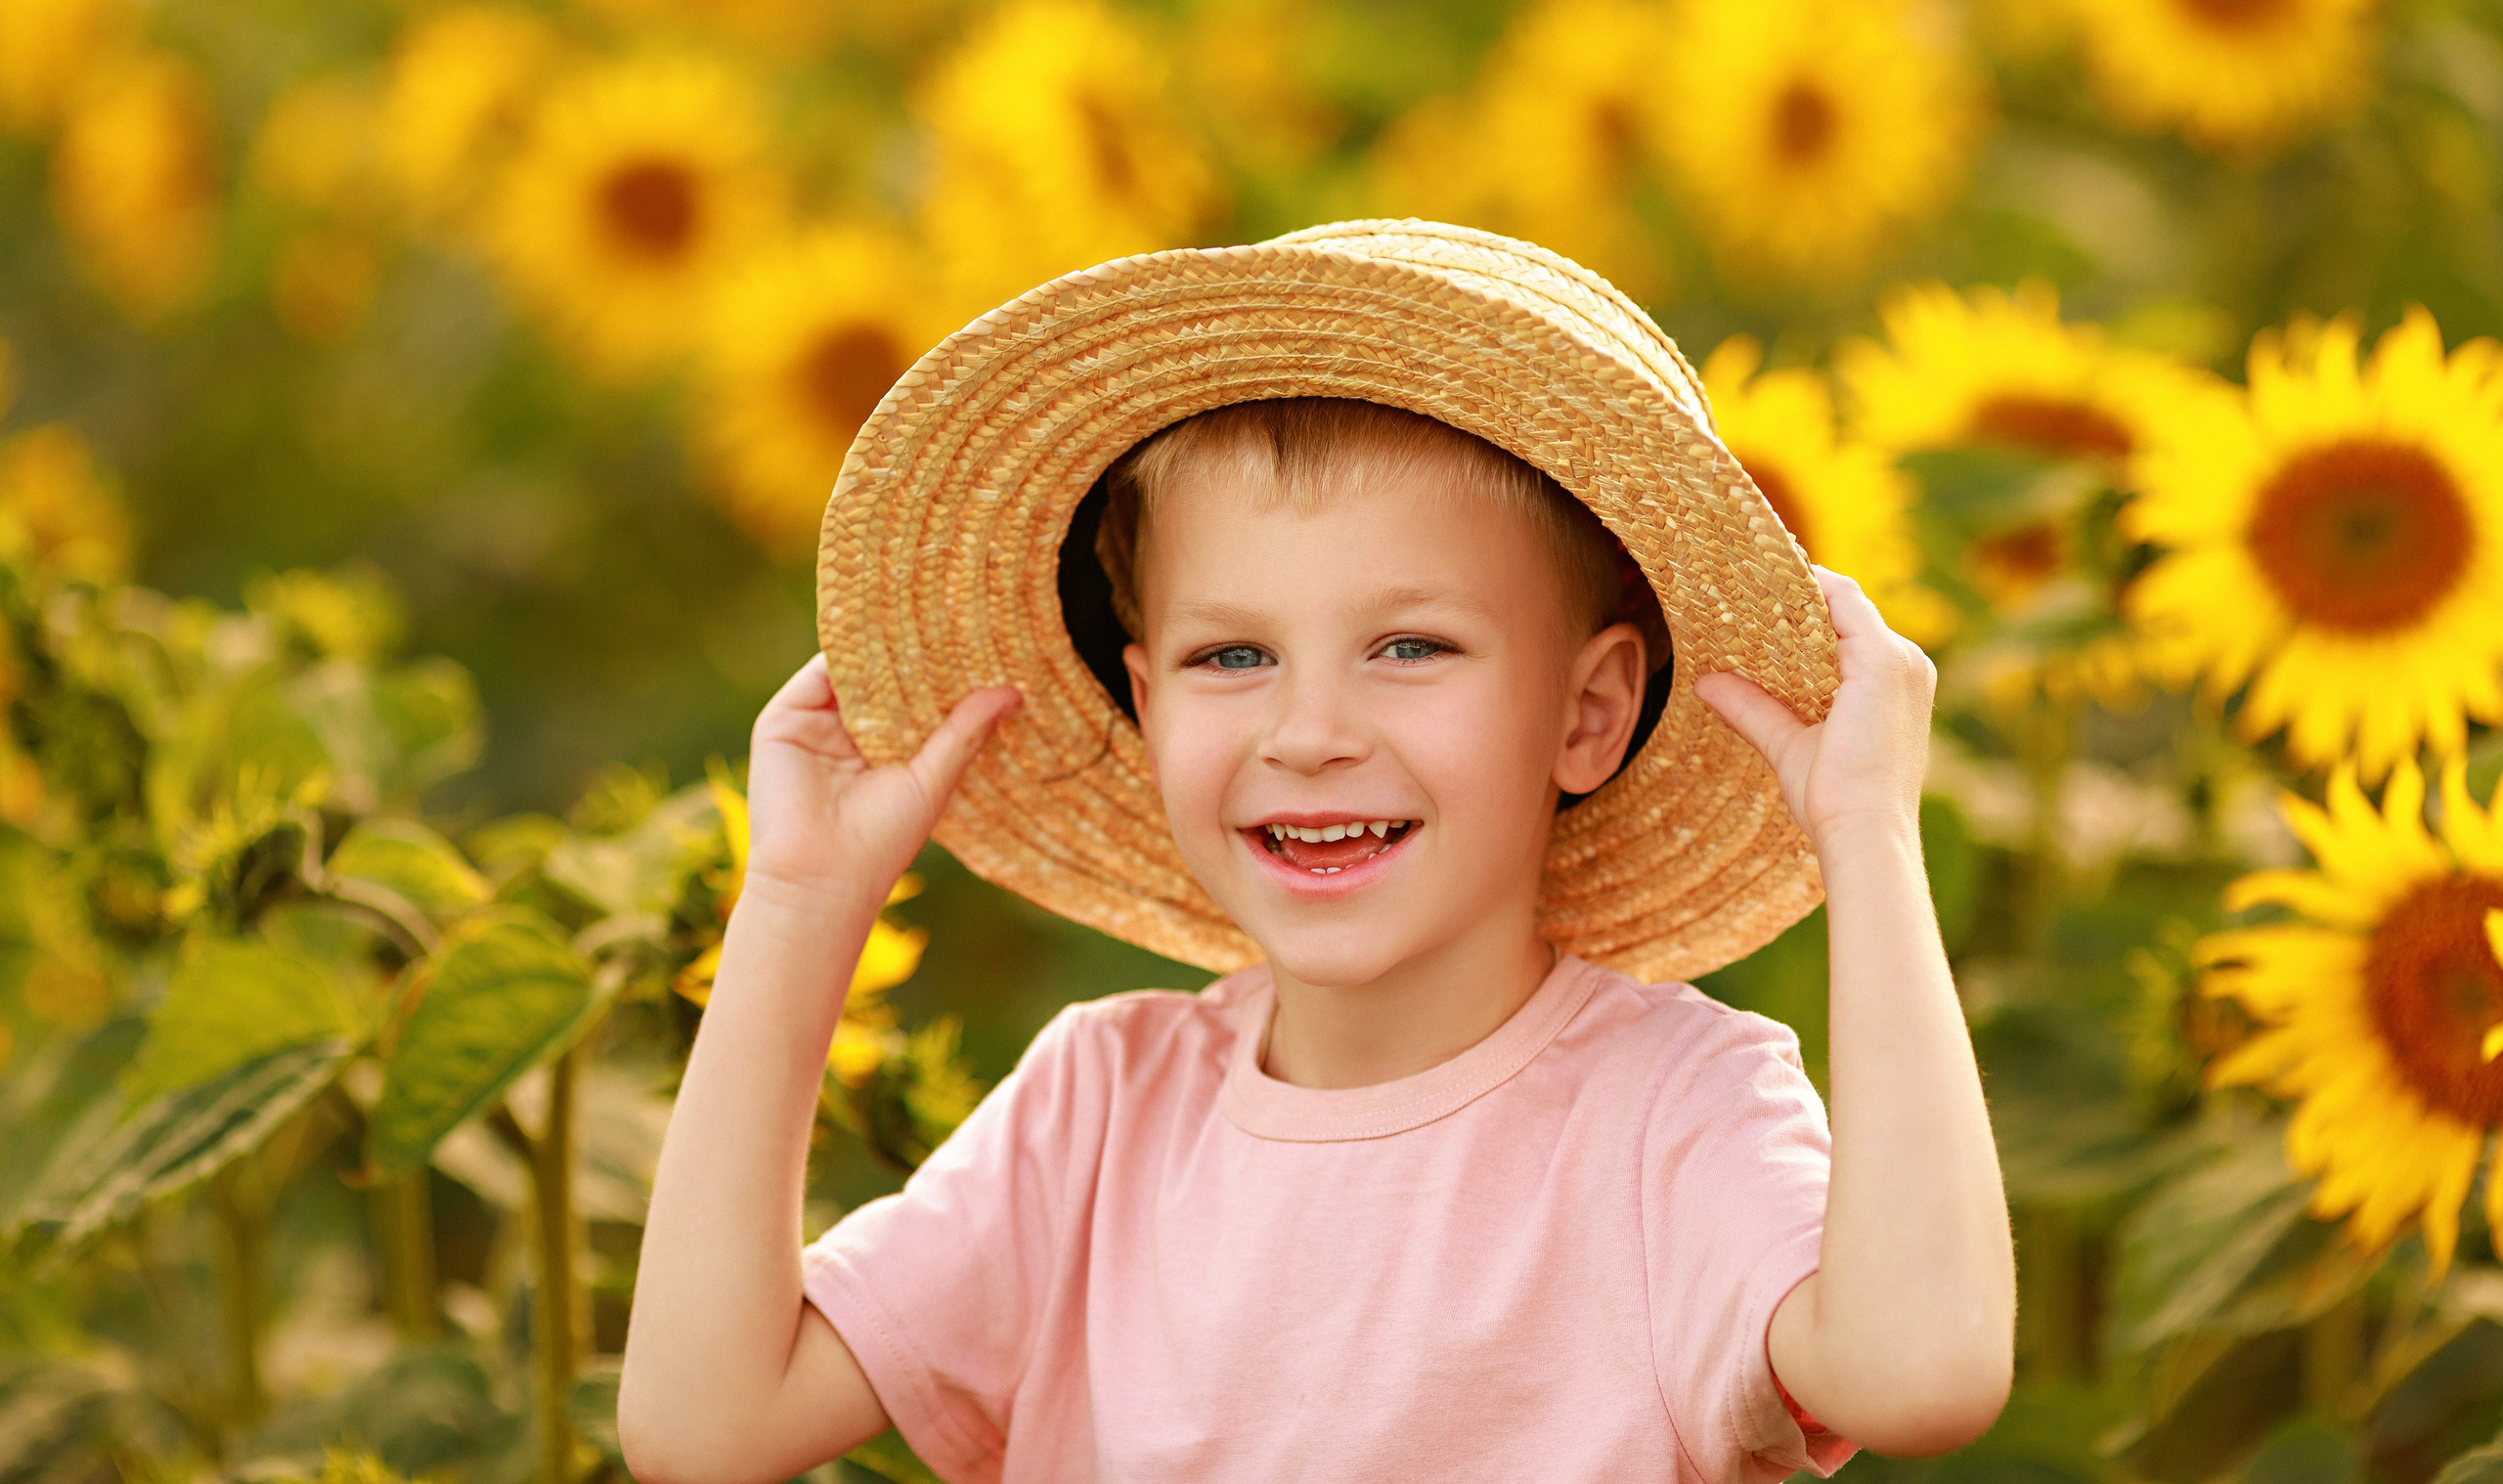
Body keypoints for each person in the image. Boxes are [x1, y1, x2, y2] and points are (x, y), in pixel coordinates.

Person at [620, 222, 2014, 1483]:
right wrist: (801, 904)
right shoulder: (1098, 1118)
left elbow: (1923, 1370)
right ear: (1147, 704)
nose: (1309, 731)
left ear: (1587, 713)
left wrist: (1869, 839)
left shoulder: (1669, 1118)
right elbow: (706, 1424)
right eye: (1233, 655)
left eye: (1410, 648)